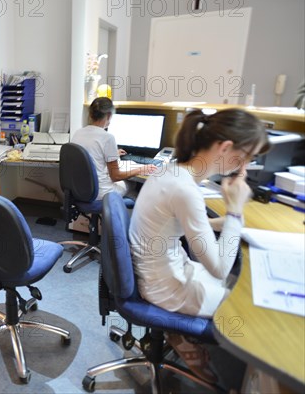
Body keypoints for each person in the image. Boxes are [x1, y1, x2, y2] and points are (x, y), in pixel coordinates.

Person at [129, 108, 270, 382]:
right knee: (249, 308)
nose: (246, 166)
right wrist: (235, 213)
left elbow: (192, 224)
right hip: (166, 287)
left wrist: (232, 224)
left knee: (236, 283)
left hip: (162, 271)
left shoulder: (172, 171)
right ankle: (235, 380)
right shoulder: (184, 188)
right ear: (226, 147)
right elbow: (218, 267)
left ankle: (181, 335)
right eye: (248, 156)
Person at [71, 97, 158, 201]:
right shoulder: (107, 137)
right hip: (102, 193)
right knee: (132, 183)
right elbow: (115, 176)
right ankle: (123, 211)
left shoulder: (78, 133)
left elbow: (90, 154)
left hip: (80, 191)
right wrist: (140, 169)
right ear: (108, 115)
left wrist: (111, 153)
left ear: (90, 114)